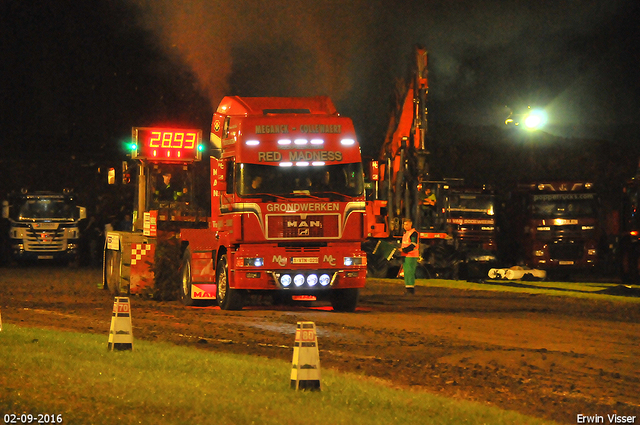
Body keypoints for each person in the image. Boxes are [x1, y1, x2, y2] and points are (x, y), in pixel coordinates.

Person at [401, 217, 419, 294]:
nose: (405, 226)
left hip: (411, 255)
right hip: (406, 255)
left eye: (407, 224)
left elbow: (413, 244)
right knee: (407, 272)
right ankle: (408, 288)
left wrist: (404, 250)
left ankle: (410, 289)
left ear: (411, 224)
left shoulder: (413, 233)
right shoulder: (406, 233)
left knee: (409, 272)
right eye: (404, 224)